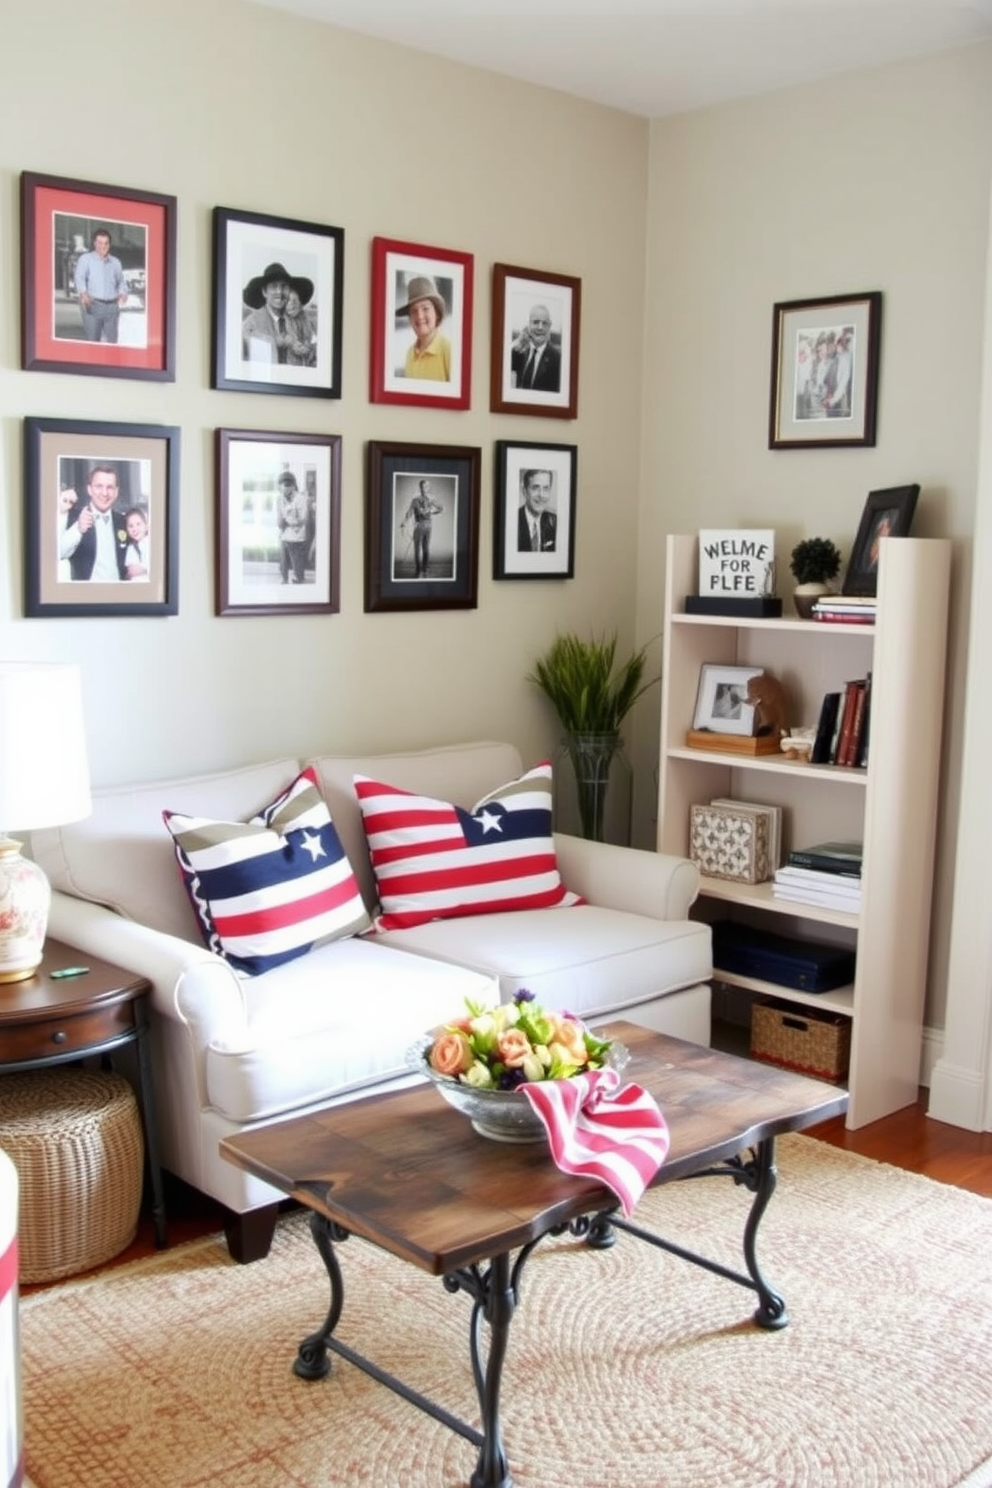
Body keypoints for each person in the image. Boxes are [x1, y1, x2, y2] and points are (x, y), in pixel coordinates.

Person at [59, 465, 129, 581]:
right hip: (85, 595)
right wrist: (78, 529)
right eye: (99, 486)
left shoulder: (124, 521)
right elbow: (59, 553)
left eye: (110, 487)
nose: (104, 493)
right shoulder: (72, 516)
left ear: (116, 491)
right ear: (89, 489)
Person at [242, 263, 314, 365]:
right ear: (264, 292)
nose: (279, 292)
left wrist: (306, 350)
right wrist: (278, 343)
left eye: (284, 286)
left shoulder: (300, 322)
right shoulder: (251, 323)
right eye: (274, 286)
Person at [73, 229, 128, 344]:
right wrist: (83, 293)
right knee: (93, 342)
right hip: (93, 305)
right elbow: (80, 278)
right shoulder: (85, 259)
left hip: (112, 307)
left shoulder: (116, 262)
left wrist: (123, 293)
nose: (103, 246)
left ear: (109, 245)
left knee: (113, 343)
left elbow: (121, 281)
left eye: (106, 243)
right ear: (94, 243)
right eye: (100, 243)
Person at [398, 276, 451, 381]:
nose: (420, 316)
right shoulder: (410, 353)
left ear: (437, 314)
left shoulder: (448, 349)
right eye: (413, 311)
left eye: (425, 308)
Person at [511, 303, 561, 392]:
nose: (540, 327)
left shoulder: (557, 359)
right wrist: (518, 341)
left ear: (549, 326)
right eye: (536, 322)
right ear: (528, 325)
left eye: (544, 323)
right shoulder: (520, 351)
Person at [401, 479, 444, 578]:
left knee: (426, 548)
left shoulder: (431, 500)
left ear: (428, 488)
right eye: (423, 486)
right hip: (419, 526)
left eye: (426, 486)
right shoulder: (415, 500)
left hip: (428, 526)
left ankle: (425, 569)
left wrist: (432, 511)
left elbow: (441, 508)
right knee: (417, 549)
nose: (424, 488)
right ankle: (418, 569)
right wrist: (404, 522)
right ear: (420, 487)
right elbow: (409, 512)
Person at [276, 471, 310, 583]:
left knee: (297, 559)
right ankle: (284, 577)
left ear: (293, 486)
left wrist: (288, 521)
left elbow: (303, 519)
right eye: (282, 485)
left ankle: (298, 577)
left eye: (287, 485)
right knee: (283, 558)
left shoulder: (300, 499)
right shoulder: (279, 499)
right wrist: (283, 522)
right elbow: (279, 520)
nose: (284, 488)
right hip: (284, 534)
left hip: (297, 535)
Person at [516, 469, 557, 552]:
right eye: (535, 488)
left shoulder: (555, 522)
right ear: (524, 491)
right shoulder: (513, 519)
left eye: (546, 488)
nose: (541, 495)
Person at [824, 326, 854, 418]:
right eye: (837, 343)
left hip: (840, 400)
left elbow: (843, 383)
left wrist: (833, 400)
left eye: (839, 343)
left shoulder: (846, 359)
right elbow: (828, 380)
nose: (836, 346)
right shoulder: (835, 358)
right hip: (831, 398)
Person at [284, 287, 317, 367]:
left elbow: (314, 338)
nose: (291, 304)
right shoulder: (281, 321)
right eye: (288, 301)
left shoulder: (308, 320)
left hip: (308, 362)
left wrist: (309, 348)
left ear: (300, 304)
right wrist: (291, 343)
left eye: (295, 301)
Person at [123, 505, 150, 581]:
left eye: (138, 524)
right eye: (131, 526)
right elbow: (130, 570)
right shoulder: (130, 548)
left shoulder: (151, 543)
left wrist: (145, 569)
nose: (135, 529)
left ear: (146, 526)